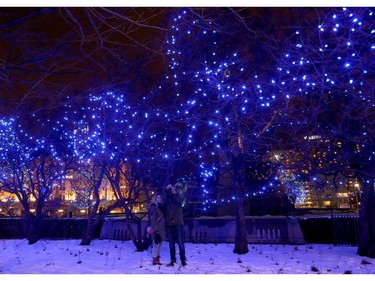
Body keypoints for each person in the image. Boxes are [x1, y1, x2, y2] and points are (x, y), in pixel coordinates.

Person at [164, 184, 187, 266]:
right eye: (172, 189)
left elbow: (180, 202)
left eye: (174, 189)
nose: (173, 190)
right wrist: (166, 188)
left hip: (178, 223)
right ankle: (173, 260)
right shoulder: (168, 199)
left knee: (180, 242)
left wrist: (175, 193)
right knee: (171, 243)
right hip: (169, 224)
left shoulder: (178, 197)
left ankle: (183, 260)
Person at [147, 193, 167, 265]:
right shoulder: (154, 207)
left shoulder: (161, 206)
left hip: (162, 228)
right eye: (157, 198)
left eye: (160, 197)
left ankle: (157, 258)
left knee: (161, 244)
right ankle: (155, 259)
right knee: (155, 244)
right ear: (155, 199)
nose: (159, 199)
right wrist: (155, 229)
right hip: (157, 229)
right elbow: (152, 219)